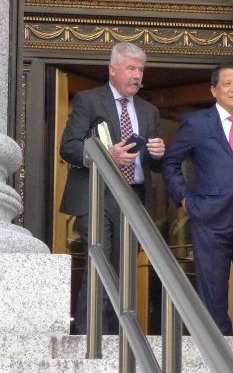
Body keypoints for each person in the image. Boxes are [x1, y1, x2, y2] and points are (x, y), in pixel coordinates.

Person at [162, 62, 233, 336]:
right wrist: (185, 199)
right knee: (212, 290)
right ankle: (218, 347)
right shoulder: (197, 123)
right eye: (227, 84)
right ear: (214, 90)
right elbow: (170, 162)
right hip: (210, 218)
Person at [59, 42, 165, 334]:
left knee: (124, 270)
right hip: (98, 195)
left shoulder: (149, 111)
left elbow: (156, 165)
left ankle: (118, 337)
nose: (137, 75)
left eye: (140, 70)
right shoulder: (88, 100)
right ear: (113, 69)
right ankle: (90, 335)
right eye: (131, 68)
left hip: (133, 198)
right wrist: (108, 155)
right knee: (101, 263)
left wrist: (158, 153)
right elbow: (68, 147)